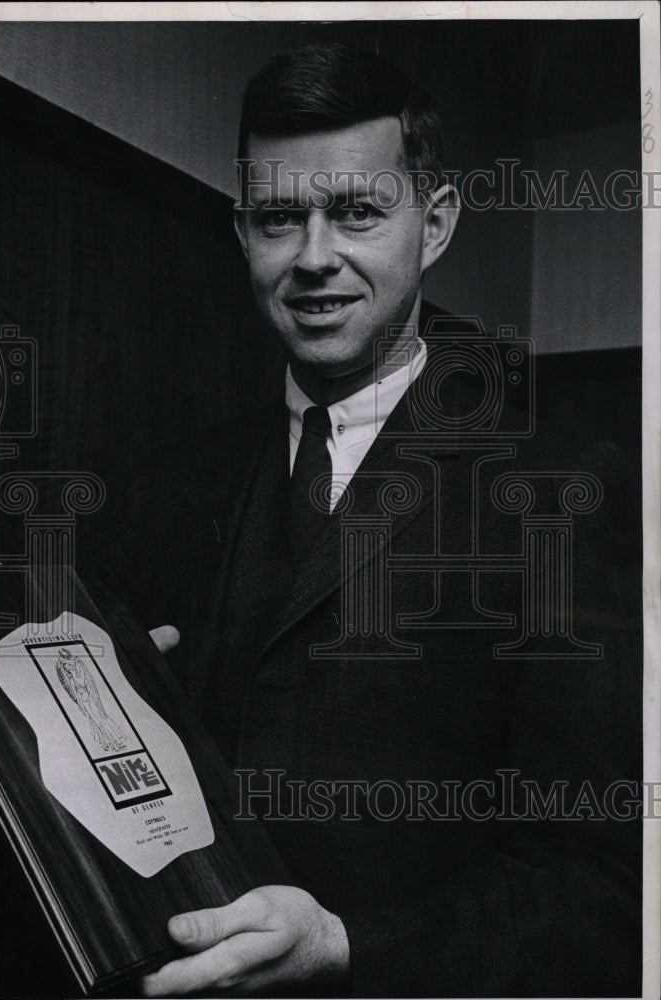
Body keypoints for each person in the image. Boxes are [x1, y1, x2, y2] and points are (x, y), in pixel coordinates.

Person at [107, 43, 640, 998]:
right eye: (279, 217)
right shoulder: (158, 493)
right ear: (242, 233)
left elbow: (605, 886)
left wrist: (347, 946)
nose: (313, 258)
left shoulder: (565, 491)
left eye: (356, 211)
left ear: (432, 225)